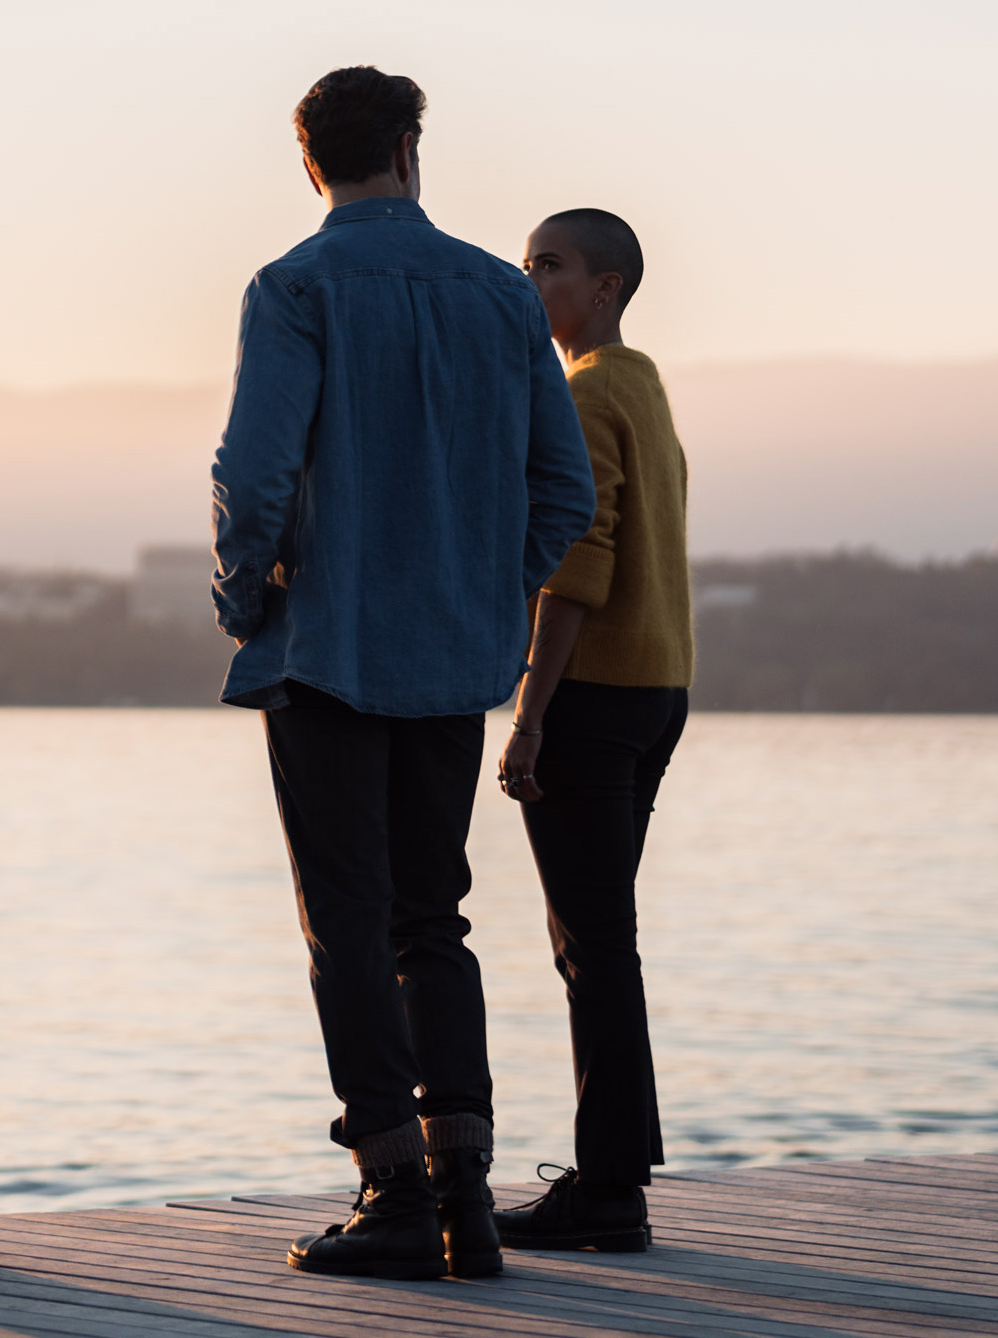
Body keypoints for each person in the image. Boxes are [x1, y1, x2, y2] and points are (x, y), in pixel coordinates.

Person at [204, 66, 594, 1281]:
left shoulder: (295, 288)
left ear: (311, 162)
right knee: (437, 919)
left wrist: (241, 597)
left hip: (326, 653)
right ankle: (466, 1193)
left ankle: (389, 1185)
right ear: (412, 150)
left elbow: (255, 476)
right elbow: (564, 493)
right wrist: (483, 592)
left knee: (349, 927)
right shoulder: (499, 294)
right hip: (451, 659)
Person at [493, 207, 690, 1254]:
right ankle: (613, 1175)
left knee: (594, 947)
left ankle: (610, 1191)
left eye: (552, 267)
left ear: (606, 285)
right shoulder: (646, 385)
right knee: (602, 943)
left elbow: (580, 564)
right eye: (527, 266)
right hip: (660, 691)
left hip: (598, 697)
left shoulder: (585, 389)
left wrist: (530, 716)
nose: (533, 284)